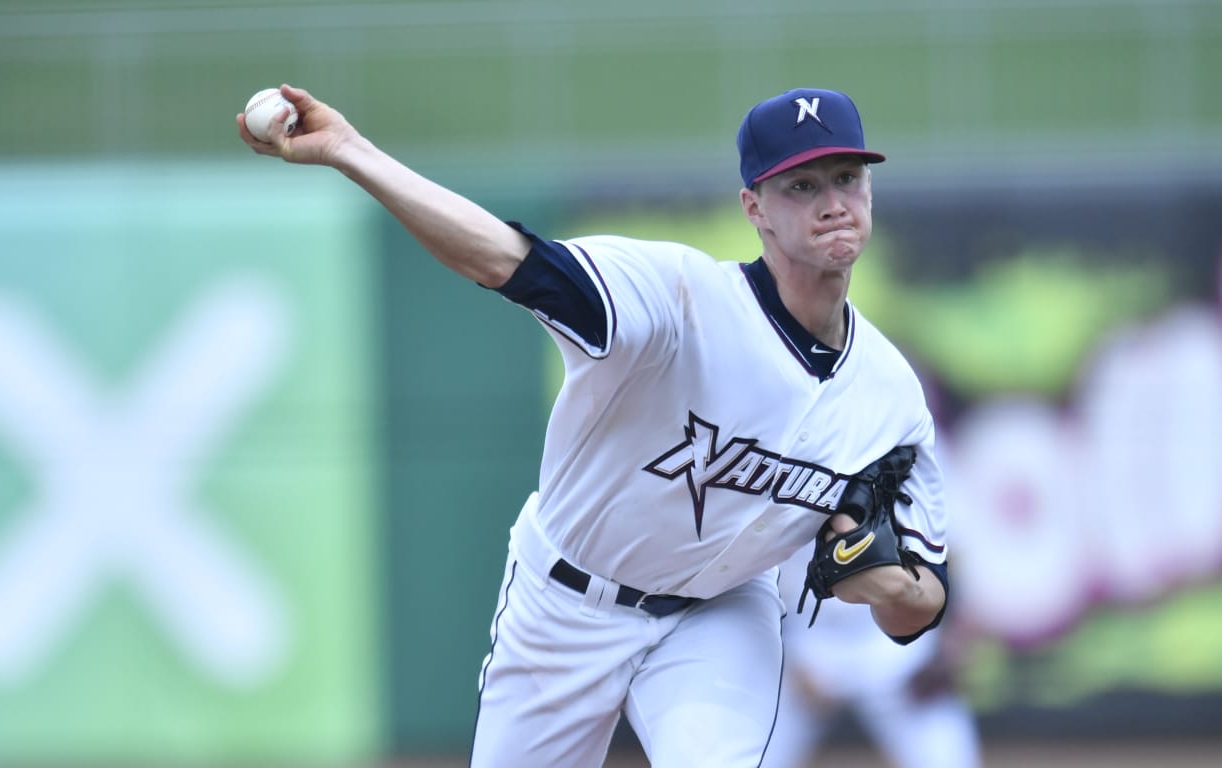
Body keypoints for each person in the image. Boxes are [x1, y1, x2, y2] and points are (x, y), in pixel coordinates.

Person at [238, 84, 950, 768]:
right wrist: (352, 151)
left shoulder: (889, 402)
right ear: (754, 207)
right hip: (566, 603)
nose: (833, 204)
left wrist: (887, 585)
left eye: (847, 178)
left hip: (718, 615)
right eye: (801, 186)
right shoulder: (677, 298)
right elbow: (504, 260)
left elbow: (921, 605)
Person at [764, 548, 980, 768]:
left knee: (948, 759)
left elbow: (943, 555)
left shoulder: (909, 511)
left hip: (897, 642)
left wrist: (946, 642)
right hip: (808, 638)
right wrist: (787, 655)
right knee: (755, 754)